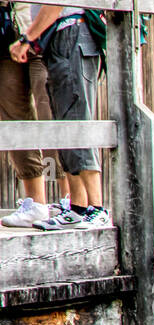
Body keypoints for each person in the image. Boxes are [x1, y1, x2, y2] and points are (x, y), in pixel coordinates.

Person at [8, 5, 106, 229]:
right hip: (58, 37)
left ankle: (97, 207)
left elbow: (54, 4)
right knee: (64, 121)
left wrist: (27, 38)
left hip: (73, 30)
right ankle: (78, 208)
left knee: (77, 119)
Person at [0, 2, 60, 227]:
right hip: (6, 36)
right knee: (14, 118)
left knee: (51, 113)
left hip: (43, 32)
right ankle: (36, 204)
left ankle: (70, 200)